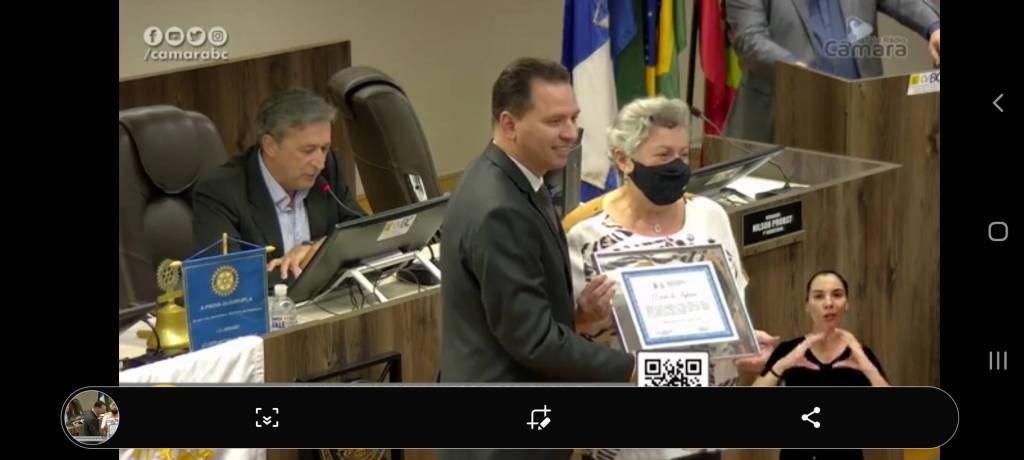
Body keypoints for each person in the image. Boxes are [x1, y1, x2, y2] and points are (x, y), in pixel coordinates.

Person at [566, 96, 778, 460]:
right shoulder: (585, 233)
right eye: (663, 155)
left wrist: (745, 343)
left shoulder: (709, 215)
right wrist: (583, 317)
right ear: (623, 159)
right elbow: (565, 337)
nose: (677, 166)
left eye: (682, 154)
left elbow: (733, 305)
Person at [192, 88, 364, 285]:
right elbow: (227, 277)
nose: (320, 163)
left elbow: (362, 230)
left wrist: (316, 247)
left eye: (324, 148)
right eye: (308, 150)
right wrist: (316, 261)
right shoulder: (219, 191)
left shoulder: (327, 169)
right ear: (270, 146)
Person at [725, 0, 940, 142]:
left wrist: (934, 26)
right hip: (783, 123)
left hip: (859, 116)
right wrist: (794, 70)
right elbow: (748, 39)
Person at [755, 270, 888, 459]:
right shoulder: (788, 350)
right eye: (818, 296)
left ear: (847, 303)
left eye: (837, 295)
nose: (829, 303)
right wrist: (781, 366)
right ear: (807, 305)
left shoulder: (860, 354)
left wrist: (868, 369)